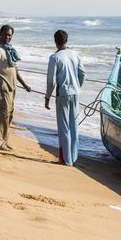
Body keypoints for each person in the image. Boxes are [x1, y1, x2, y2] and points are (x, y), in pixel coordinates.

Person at [45, 30, 85, 166]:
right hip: (75, 93)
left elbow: (51, 81)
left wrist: (47, 97)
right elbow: (82, 73)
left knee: (64, 127)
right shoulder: (75, 54)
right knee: (74, 126)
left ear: (55, 41)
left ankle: (66, 160)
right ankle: (73, 158)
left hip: (63, 93)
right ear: (67, 40)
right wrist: (78, 87)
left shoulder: (54, 57)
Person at [0, 25, 31, 151]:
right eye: (6, 34)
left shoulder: (10, 50)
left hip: (13, 86)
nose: (8, 37)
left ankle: (4, 140)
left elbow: (15, 70)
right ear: (0, 34)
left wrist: (25, 85)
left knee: (9, 114)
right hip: (2, 86)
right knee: (2, 114)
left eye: (10, 35)